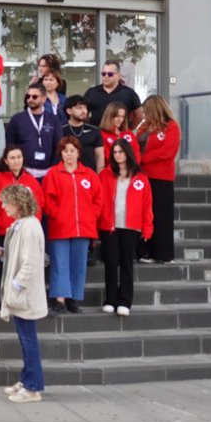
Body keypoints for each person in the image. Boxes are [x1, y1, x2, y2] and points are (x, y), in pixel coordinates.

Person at [0, 183, 48, 403]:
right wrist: (0, 252)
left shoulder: (29, 226)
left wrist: (17, 285)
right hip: (20, 292)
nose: (4, 206)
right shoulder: (22, 224)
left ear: (18, 203)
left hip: (24, 293)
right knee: (25, 339)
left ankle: (33, 387)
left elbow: (31, 262)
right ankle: (27, 379)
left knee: (29, 340)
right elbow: (17, 255)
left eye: (7, 202)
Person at [42, 136, 102, 316]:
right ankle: (59, 299)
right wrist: (57, 214)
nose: (69, 154)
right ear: (61, 153)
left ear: (78, 153)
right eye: (65, 151)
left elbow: (98, 200)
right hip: (60, 227)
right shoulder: (53, 173)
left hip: (83, 228)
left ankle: (72, 298)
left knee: (78, 263)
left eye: (72, 151)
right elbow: (47, 200)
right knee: (60, 263)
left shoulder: (89, 175)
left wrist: (91, 216)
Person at [99, 139, 153, 316]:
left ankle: (125, 301)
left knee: (126, 263)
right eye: (114, 152)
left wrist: (147, 228)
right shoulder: (106, 174)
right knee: (111, 262)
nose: (117, 155)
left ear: (127, 153)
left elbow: (147, 205)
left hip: (131, 226)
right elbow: (99, 200)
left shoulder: (140, 176)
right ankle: (110, 299)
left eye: (120, 151)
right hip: (110, 226)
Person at [0, 146, 44, 307]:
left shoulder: (30, 180)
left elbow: (39, 203)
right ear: (5, 160)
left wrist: (32, 222)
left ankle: (17, 299)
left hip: (24, 231)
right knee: (2, 267)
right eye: (12, 158)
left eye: (19, 157)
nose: (16, 161)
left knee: (20, 265)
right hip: (3, 230)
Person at [138, 94, 180, 264]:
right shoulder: (143, 127)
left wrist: (143, 158)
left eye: (146, 111)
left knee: (161, 215)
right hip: (143, 176)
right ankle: (145, 251)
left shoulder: (171, 127)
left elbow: (168, 152)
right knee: (146, 215)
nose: (144, 114)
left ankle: (162, 253)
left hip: (161, 177)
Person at [5, 82, 61, 182]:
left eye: (34, 97)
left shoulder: (53, 119)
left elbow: (59, 145)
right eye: (28, 96)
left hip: (48, 173)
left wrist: (53, 168)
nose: (30, 99)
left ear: (44, 98)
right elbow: (9, 145)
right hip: (23, 172)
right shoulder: (17, 119)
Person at [84, 60, 144, 129]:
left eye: (110, 74)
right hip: (96, 136)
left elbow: (139, 115)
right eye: (103, 74)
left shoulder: (129, 93)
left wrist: (127, 130)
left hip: (119, 136)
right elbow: (83, 113)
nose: (106, 76)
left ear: (118, 75)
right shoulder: (92, 92)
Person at [61, 95, 104, 173]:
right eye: (79, 108)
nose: (84, 111)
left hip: (90, 175)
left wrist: (99, 174)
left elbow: (99, 155)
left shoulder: (94, 130)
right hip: (66, 175)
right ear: (69, 111)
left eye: (85, 108)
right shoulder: (61, 130)